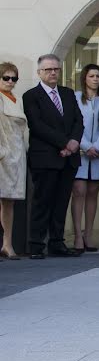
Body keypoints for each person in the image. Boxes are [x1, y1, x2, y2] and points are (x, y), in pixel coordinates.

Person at [22, 54, 84, 259]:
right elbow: (38, 125)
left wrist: (74, 142)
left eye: (56, 69)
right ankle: (36, 245)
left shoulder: (67, 94)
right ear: (39, 72)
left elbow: (78, 120)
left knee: (61, 202)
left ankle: (57, 243)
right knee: (42, 201)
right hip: (45, 157)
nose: (52, 73)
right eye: (48, 69)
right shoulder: (31, 95)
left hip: (68, 158)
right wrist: (65, 143)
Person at [70, 64, 99, 254]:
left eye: (98, 76)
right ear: (84, 77)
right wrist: (85, 145)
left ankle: (89, 235)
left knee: (93, 192)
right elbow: (74, 123)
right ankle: (77, 235)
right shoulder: (76, 98)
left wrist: (98, 146)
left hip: (98, 154)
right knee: (79, 191)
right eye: (92, 76)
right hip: (80, 151)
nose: (95, 79)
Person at [0, 62, 28, 260]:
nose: (10, 81)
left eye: (14, 78)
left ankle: (7, 244)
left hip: (15, 155)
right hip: (4, 154)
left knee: (9, 202)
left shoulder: (16, 100)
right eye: (6, 78)